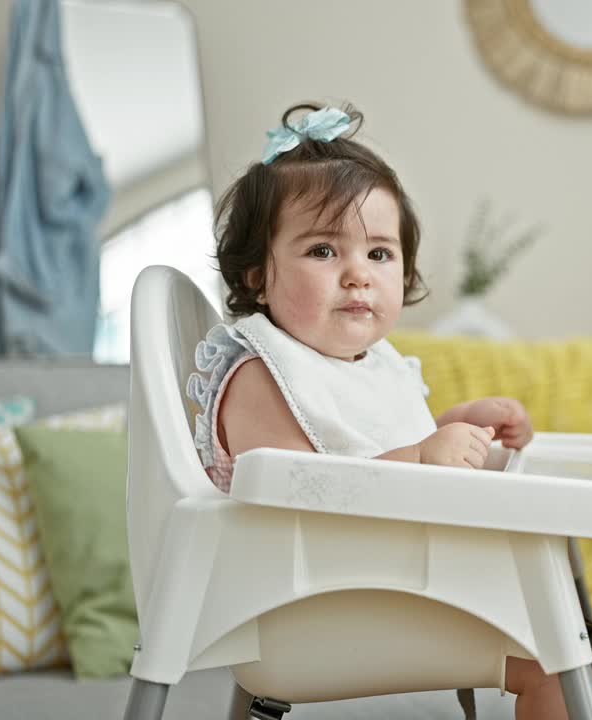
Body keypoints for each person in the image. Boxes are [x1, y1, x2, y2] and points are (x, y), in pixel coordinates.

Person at [185, 103, 565, 720]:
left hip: (373, 590)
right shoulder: (260, 372)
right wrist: (420, 458)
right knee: (553, 658)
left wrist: (451, 429)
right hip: (302, 614)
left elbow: (366, 452)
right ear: (256, 273)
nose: (358, 274)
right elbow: (295, 495)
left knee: (554, 612)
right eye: (323, 251)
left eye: (380, 254)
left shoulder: (371, 363)